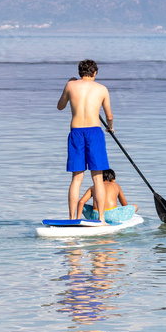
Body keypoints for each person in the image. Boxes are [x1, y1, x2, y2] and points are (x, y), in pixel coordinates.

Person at [57, 59, 113, 222]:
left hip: (76, 132)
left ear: (80, 72)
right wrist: (110, 127)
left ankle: (71, 218)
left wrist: (68, 85)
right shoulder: (102, 89)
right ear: (95, 73)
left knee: (77, 178)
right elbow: (109, 116)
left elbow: (60, 106)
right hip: (95, 133)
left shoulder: (70, 86)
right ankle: (101, 219)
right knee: (97, 178)